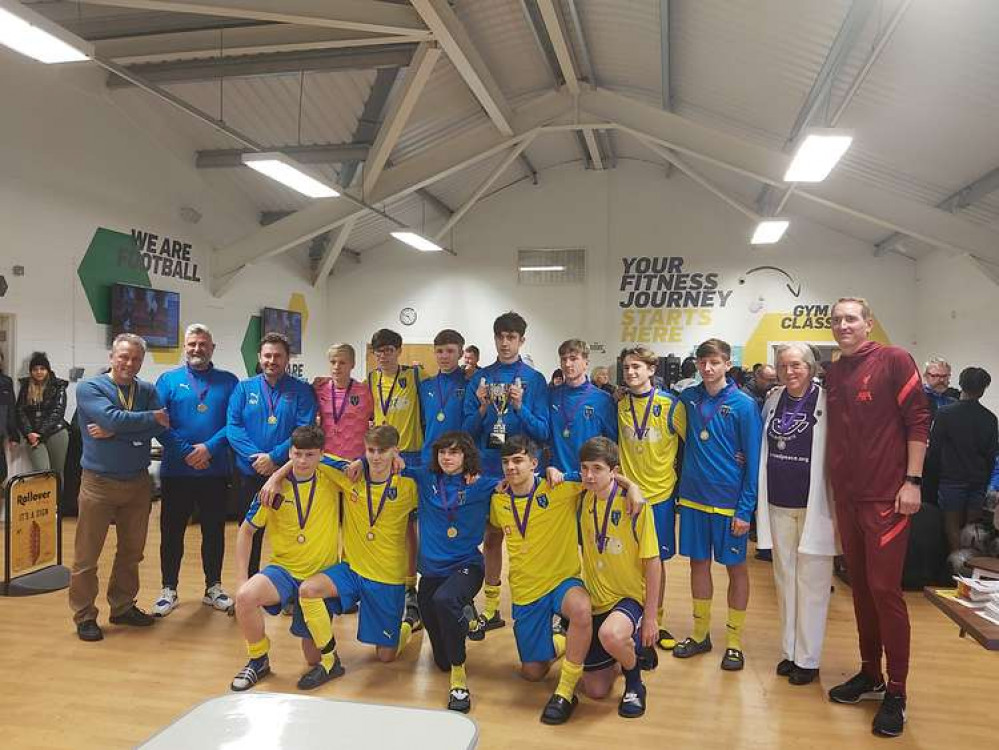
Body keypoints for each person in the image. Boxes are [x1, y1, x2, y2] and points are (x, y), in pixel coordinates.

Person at [824, 297, 930, 738]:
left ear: (868, 323)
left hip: (888, 498)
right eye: (836, 320)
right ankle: (871, 675)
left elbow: (919, 421)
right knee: (861, 590)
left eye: (851, 318)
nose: (843, 325)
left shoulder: (894, 360)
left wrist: (913, 481)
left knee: (886, 591)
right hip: (847, 499)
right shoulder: (833, 371)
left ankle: (898, 691)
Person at [260, 425, 421, 670]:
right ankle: (328, 658)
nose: (376, 457)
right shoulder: (349, 474)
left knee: (386, 656)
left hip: (386, 577)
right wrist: (275, 476)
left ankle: (410, 620)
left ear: (395, 451)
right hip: (352, 569)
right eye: (371, 450)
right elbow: (307, 457)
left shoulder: (410, 485)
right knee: (309, 589)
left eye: (383, 451)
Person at [69, 334, 169, 641]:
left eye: (135, 358)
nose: (129, 363)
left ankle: (123, 606)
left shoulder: (147, 390)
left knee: (132, 552)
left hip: (138, 482)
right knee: (87, 555)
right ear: (112, 356)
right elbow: (110, 416)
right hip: (98, 482)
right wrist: (144, 420)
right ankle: (85, 615)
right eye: (123, 356)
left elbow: (160, 424)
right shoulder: (91, 387)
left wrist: (116, 433)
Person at [487, 435, 592, 725]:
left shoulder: (559, 486)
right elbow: (492, 541)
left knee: (582, 610)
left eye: (518, 460)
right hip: (525, 589)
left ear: (534, 463)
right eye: (506, 462)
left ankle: (566, 690)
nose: (511, 467)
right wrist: (491, 594)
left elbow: (601, 474)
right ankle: (562, 639)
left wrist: (631, 489)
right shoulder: (498, 499)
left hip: (562, 580)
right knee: (532, 672)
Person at [229, 425, 343, 692]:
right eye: (297, 454)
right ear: (290, 452)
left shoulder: (331, 476)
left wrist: (278, 471)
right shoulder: (271, 492)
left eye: (310, 455)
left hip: (318, 577)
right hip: (284, 570)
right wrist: (240, 579)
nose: (303, 461)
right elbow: (246, 532)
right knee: (245, 597)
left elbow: (364, 464)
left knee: (312, 658)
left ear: (321, 455)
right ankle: (258, 659)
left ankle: (321, 630)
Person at [673, 338, 762, 671]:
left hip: (729, 504)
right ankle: (700, 634)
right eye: (702, 362)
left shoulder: (744, 404)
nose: (707, 368)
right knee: (698, 565)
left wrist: (745, 510)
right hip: (694, 499)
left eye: (714, 362)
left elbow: (752, 461)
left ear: (727, 364)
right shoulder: (687, 398)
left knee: (736, 570)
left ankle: (735, 642)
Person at [557, 437, 659, 719]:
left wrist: (651, 617)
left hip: (627, 598)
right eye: (585, 468)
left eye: (598, 468)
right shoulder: (583, 495)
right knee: (596, 690)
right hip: (596, 600)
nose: (589, 475)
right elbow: (556, 476)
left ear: (613, 471)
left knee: (611, 635)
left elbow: (653, 563)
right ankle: (621, 652)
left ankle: (635, 680)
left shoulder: (635, 506)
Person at [755, 343, 838, 686]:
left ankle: (808, 658)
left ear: (811, 367)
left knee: (813, 584)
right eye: (784, 365)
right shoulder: (773, 401)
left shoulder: (827, 401)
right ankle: (789, 651)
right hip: (778, 502)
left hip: (814, 505)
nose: (790, 371)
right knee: (784, 581)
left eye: (797, 365)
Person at [463, 311, 549, 635]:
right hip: (487, 468)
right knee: (490, 538)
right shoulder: (481, 378)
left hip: (522, 471)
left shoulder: (534, 379)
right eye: (500, 336)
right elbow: (466, 429)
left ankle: (538, 603)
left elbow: (542, 431)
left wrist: (519, 407)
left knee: (531, 539)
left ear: (521, 340)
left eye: (511, 337)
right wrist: (483, 408)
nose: (505, 342)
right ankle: (493, 608)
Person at [399, 432, 498, 712]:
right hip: (432, 572)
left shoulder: (482, 485)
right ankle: (464, 621)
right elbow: (384, 461)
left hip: (467, 566)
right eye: (442, 452)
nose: (447, 457)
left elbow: (520, 480)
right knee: (439, 660)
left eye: (454, 453)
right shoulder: (426, 478)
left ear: (466, 457)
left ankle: (459, 680)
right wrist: (359, 461)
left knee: (446, 601)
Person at [151, 324, 239, 617]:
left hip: (214, 472)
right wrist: (188, 451)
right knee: (171, 532)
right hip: (177, 470)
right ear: (184, 347)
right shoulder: (168, 380)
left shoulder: (229, 382)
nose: (197, 349)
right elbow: (159, 423)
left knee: (214, 532)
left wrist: (209, 449)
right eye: (192, 344)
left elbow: (235, 424)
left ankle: (213, 588)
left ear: (212, 348)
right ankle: (168, 589)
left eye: (203, 344)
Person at [228, 332, 317, 577]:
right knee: (249, 530)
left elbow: (304, 430)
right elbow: (233, 427)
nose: (272, 360)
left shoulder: (302, 390)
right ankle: (248, 585)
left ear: (287, 358)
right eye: (267, 355)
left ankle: (292, 585)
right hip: (249, 471)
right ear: (259, 356)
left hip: (289, 473)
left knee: (292, 530)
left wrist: (275, 458)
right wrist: (258, 458)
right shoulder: (243, 388)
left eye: (278, 356)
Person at [617, 345, 685, 652]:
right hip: (627, 494)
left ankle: (655, 619)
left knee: (656, 561)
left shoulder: (672, 405)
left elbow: (693, 445)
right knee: (628, 559)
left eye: (637, 367)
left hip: (659, 496)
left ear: (651, 370)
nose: (631, 372)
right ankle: (631, 617)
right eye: (628, 367)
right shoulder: (617, 404)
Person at [368, 328, 423, 625]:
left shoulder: (415, 377)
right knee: (386, 522)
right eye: (379, 351)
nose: (384, 355)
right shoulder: (372, 379)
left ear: (399, 351)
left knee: (411, 527)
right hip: (382, 458)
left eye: (389, 350)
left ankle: (411, 586)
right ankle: (388, 580)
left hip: (410, 457)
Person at [928, 367, 998, 553]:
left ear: (960, 384)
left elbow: (934, 450)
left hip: (951, 479)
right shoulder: (990, 419)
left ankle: (956, 566)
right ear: (983, 389)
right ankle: (970, 567)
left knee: (951, 524)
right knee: (972, 527)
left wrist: (933, 477)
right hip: (978, 480)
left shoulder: (945, 414)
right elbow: (991, 456)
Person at [548, 340, 617, 474]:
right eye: (564, 359)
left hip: (589, 478)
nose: (568, 364)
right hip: (557, 478)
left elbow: (612, 443)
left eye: (573, 359)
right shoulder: (551, 395)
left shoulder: (603, 399)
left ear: (586, 362)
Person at [313, 343, 373, 460]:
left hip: (356, 461)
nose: (336, 366)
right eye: (333, 362)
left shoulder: (365, 392)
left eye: (342, 362)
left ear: (353, 364)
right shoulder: (319, 389)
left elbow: (376, 420)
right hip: (326, 458)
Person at [15, 352, 69, 477]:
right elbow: (20, 411)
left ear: (48, 370)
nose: (39, 372)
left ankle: (58, 497)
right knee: (42, 473)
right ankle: (46, 497)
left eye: (42, 369)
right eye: (35, 369)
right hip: (32, 436)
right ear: (31, 371)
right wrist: (29, 433)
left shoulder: (58, 385)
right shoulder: (25, 386)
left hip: (56, 432)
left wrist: (40, 432)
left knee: (57, 473)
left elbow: (58, 411)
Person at [419, 330, 468, 466]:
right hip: (430, 456)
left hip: (459, 457)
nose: (444, 356)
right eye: (439, 351)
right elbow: (422, 422)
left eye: (450, 351)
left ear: (461, 354)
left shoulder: (469, 384)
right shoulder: (425, 386)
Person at [0, 348, 19, 488]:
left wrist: (14, 435)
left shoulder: (6, 381)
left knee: (1, 472)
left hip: (0, 432)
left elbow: (11, 408)